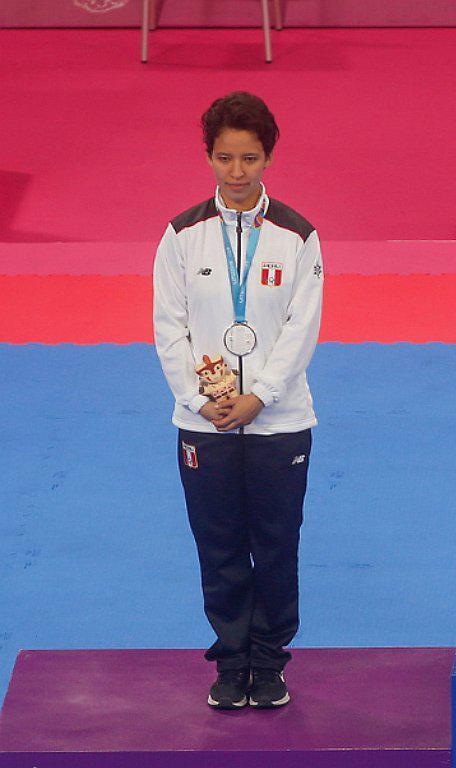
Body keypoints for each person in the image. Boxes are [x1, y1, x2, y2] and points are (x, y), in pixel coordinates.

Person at [153, 91, 323, 709]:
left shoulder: (298, 236)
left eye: (249, 158)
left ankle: (271, 662)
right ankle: (230, 663)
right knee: (219, 545)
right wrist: (200, 402)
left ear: (268, 157)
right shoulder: (181, 236)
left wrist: (263, 396)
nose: (236, 172)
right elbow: (168, 329)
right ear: (209, 158)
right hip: (204, 424)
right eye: (224, 158)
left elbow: (303, 328)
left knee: (277, 543)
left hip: (280, 422)